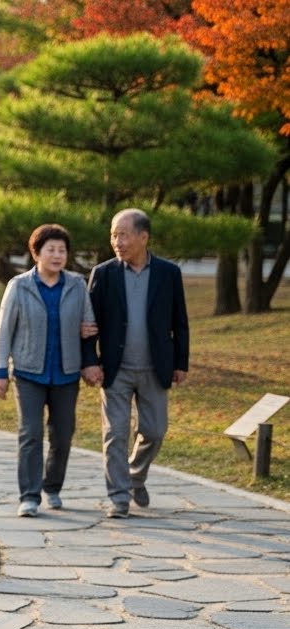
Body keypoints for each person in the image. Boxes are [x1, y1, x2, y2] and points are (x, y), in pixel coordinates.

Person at [81, 208, 190, 518]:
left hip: (156, 367)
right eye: (113, 235)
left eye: (123, 234)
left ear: (144, 237)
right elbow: (89, 323)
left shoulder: (169, 273)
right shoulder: (104, 273)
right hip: (115, 369)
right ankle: (118, 497)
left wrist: (181, 362)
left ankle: (135, 476)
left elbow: (179, 322)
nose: (117, 241)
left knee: (154, 431)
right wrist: (89, 361)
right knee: (115, 433)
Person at [0, 224, 97, 517]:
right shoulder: (19, 285)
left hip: (66, 372)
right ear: (36, 253)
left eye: (62, 250)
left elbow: (89, 324)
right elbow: (4, 331)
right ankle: (29, 495)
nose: (57, 255)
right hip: (28, 372)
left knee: (63, 434)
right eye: (50, 249)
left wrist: (89, 347)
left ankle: (52, 487)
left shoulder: (77, 284)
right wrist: (0, 372)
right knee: (31, 433)